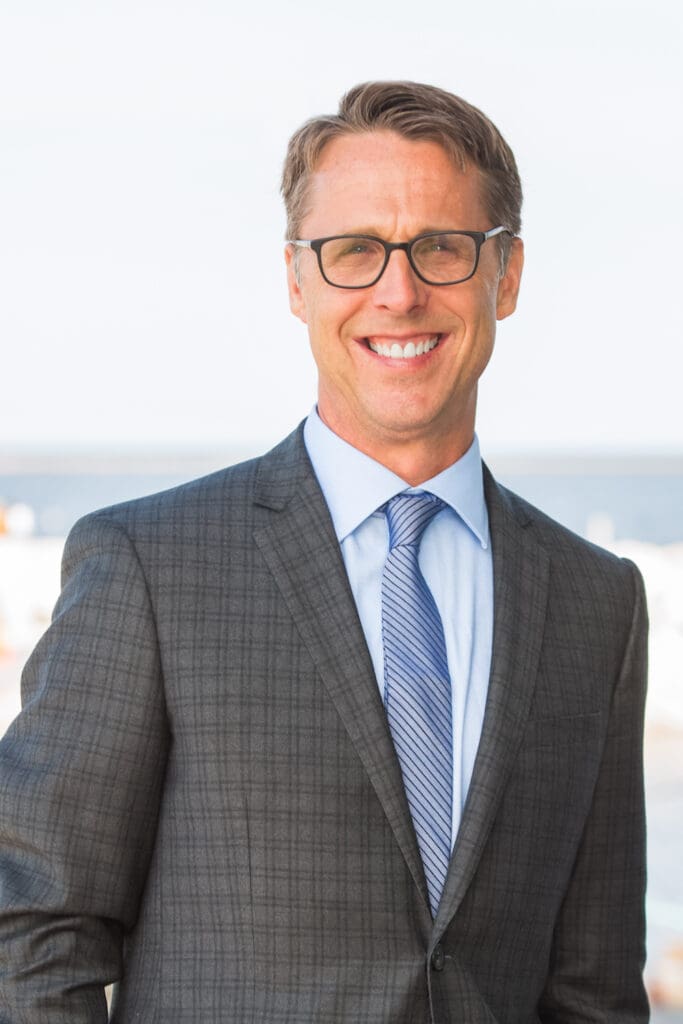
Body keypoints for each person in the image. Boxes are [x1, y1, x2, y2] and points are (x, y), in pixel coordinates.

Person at [0, 81, 649, 1023]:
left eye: (442, 246)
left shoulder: (598, 603)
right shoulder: (150, 567)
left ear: (505, 275)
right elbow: (32, 926)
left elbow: (595, 992)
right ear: (297, 282)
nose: (399, 292)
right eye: (354, 251)